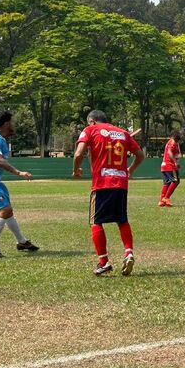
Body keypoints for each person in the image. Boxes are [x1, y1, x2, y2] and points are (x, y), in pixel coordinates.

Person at [73, 110, 145, 276]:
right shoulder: (123, 133)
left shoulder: (90, 130)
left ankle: (104, 262)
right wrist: (130, 170)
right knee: (122, 220)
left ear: (91, 121)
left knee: (96, 222)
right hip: (121, 183)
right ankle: (128, 252)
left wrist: (76, 170)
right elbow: (140, 155)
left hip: (102, 183)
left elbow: (78, 153)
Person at [0, 111, 39, 258]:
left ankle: (22, 242)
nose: (13, 125)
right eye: (12, 122)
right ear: (6, 124)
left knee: (8, 212)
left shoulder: (0, 138)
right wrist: (19, 173)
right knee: (5, 210)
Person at [159, 130, 182, 207]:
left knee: (167, 183)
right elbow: (169, 152)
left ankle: (161, 201)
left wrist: (178, 158)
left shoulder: (171, 142)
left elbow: (177, 154)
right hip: (170, 166)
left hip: (164, 166)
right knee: (176, 181)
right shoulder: (173, 142)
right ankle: (166, 198)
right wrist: (175, 162)